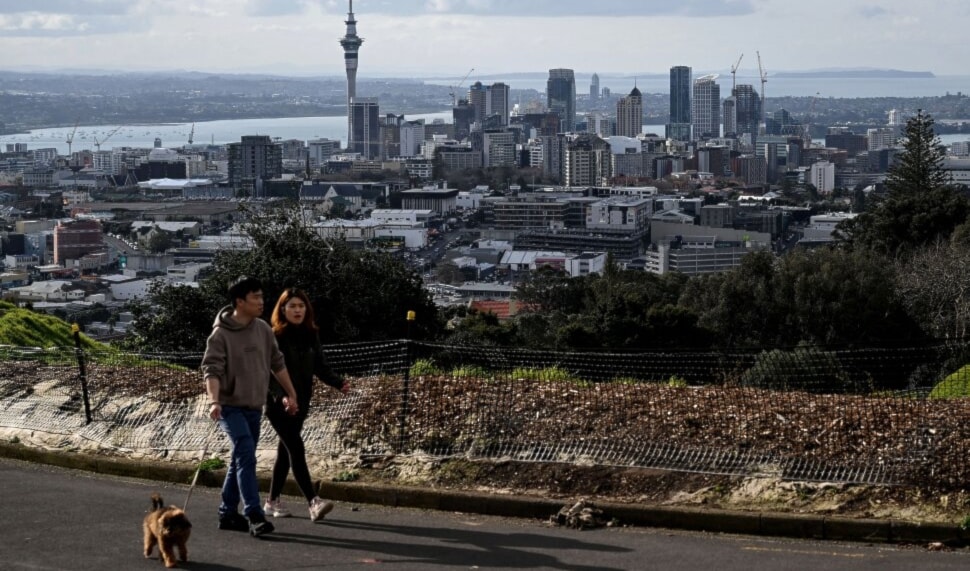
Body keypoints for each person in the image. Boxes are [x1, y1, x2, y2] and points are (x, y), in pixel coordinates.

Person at [202, 276, 300, 538]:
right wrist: (214, 401)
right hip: (228, 407)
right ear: (239, 301)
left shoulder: (263, 329)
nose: (261, 301)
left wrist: (291, 394)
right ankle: (254, 514)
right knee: (245, 452)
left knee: (239, 459)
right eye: (255, 297)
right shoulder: (220, 334)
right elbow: (211, 370)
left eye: (261, 296)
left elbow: (277, 364)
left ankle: (227, 513)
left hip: (254, 407)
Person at [263, 287, 349, 522]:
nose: (298, 310)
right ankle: (313, 501)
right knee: (296, 448)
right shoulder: (274, 336)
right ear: (282, 309)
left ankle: (271, 502)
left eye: (301, 306)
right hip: (277, 404)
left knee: (285, 451)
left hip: (301, 402)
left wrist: (338, 382)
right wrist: (282, 396)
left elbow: (319, 365)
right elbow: (269, 373)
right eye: (292, 306)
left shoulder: (311, 334)